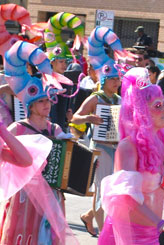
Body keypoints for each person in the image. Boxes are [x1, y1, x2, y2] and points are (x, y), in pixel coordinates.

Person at [98, 67, 164, 244]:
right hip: (128, 235)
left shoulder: (162, 146)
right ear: (141, 111)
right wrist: (160, 224)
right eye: (157, 106)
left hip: (153, 235)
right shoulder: (128, 147)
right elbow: (125, 198)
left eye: (163, 104)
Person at [0, 40, 77, 244]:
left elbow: (65, 161)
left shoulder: (55, 129)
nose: (47, 105)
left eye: (48, 101)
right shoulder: (17, 128)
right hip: (25, 194)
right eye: (41, 101)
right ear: (31, 105)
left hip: (51, 194)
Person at [72, 26, 123, 236]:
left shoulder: (120, 100)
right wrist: (89, 118)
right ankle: (104, 235)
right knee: (103, 191)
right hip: (101, 148)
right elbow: (75, 117)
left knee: (112, 192)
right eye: (113, 79)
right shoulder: (95, 98)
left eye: (118, 79)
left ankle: (90, 216)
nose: (117, 82)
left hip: (117, 149)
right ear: (104, 80)